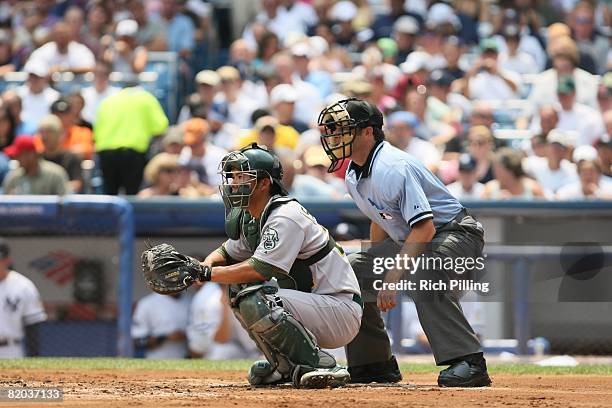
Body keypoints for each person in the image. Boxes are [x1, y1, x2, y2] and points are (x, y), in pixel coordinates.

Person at [318, 98, 491, 387]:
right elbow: (380, 218)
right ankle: (374, 363)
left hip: (456, 233)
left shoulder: (392, 166)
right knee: (354, 269)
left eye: (344, 129)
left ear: (367, 132)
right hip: (415, 238)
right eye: (333, 130)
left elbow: (423, 229)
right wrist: (376, 265)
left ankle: (469, 362)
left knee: (425, 270)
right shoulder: (352, 173)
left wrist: (391, 277)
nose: (335, 137)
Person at [189, 143, 362, 388]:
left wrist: (207, 274)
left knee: (257, 297)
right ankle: (284, 365)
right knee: (238, 290)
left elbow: (260, 270)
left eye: (243, 177)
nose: (235, 183)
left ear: (264, 183)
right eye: (233, 177)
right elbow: (227, 252)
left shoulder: (285, 215)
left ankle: (322, 364)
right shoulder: (254, 216)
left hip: (338, 309)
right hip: (313, 305)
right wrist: (202, 265)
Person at [94, 84, 169, 195]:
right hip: (133, 153)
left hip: (106, 152)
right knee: (132, 196)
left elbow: (97, 130)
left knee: (109, 197)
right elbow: (161, 127)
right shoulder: (146, 98)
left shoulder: (108, 100)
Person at [0, 237, 47, 358]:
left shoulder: (23, 286)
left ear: (7, 260)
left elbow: (32, 328)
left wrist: (34, 360)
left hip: (10, 350)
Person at [187, 281, 259, 359]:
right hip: (221, 348)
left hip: (245, 348)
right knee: (220, 351)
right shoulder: (209, 294)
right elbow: (220, 338)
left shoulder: (212, 293)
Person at [2, 135, 70, 195]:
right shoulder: (13, 178)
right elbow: (5, 206)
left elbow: (66, 205)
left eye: (19, 155)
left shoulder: (55, 175)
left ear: (31, 154)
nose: (16, 158)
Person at [131, 291, 190, 359]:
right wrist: (165, 337)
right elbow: (137, 341)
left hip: (186, 360)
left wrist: (186, 335)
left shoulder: (190, 300)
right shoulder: (147, 303)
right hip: (156, 361)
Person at [26, 21, 95, 75]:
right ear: (53, 36)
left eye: (63, 34)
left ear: (69, 35)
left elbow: (91, 68)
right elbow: (31, 68)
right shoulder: (45, 50)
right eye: (58, 34)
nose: (61, 37)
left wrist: (64, 70)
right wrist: (47, 72)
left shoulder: (80, 50)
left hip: (76, 89)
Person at [523, 129, 578, 195]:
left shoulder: (572, 170)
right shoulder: (532, 163)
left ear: (564, 151)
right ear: (546, 147)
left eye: (559, 147)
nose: (555, 150)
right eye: (553, 146)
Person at [37, 114, 83, 193]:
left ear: (60, 134)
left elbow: (77, 184)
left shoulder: (71, 158)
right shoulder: (37, 159)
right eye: (42, 132)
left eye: (49, 131)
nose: (44, 136)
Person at [80, 61, 120, 125]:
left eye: (103, 74)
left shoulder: (117, 94)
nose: (100, 77)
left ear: (108, 75)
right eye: (97, 73)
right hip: (87, 128)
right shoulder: (84, 93)